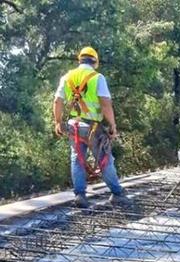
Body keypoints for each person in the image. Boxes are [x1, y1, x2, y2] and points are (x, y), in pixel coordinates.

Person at [53, 46, 130, 208]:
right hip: (93, 127)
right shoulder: (97, 77)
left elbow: (57, 101)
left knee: (77, 159)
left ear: (80, 60)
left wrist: (58, 122)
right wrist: (112, 125)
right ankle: (117, 193)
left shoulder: (67, 77)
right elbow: (105, 104)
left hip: (74, 125)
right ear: (95, 62)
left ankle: (80, 195)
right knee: (104, 159)